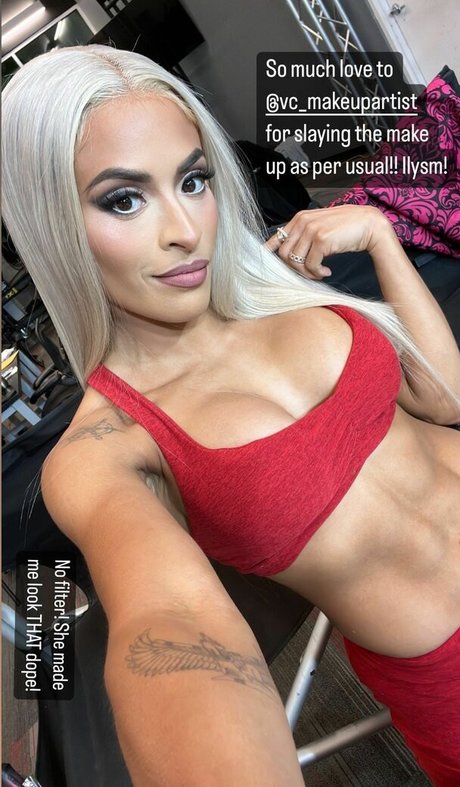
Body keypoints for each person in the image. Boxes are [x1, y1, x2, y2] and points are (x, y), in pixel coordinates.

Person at [2, 45, 459, 787]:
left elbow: (444, 402)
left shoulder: (278, 282)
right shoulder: (103, 449)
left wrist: (380, 235)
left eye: (193, 180)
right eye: (124, 200)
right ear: (50, 223)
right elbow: (170, 624)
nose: (186, 228)